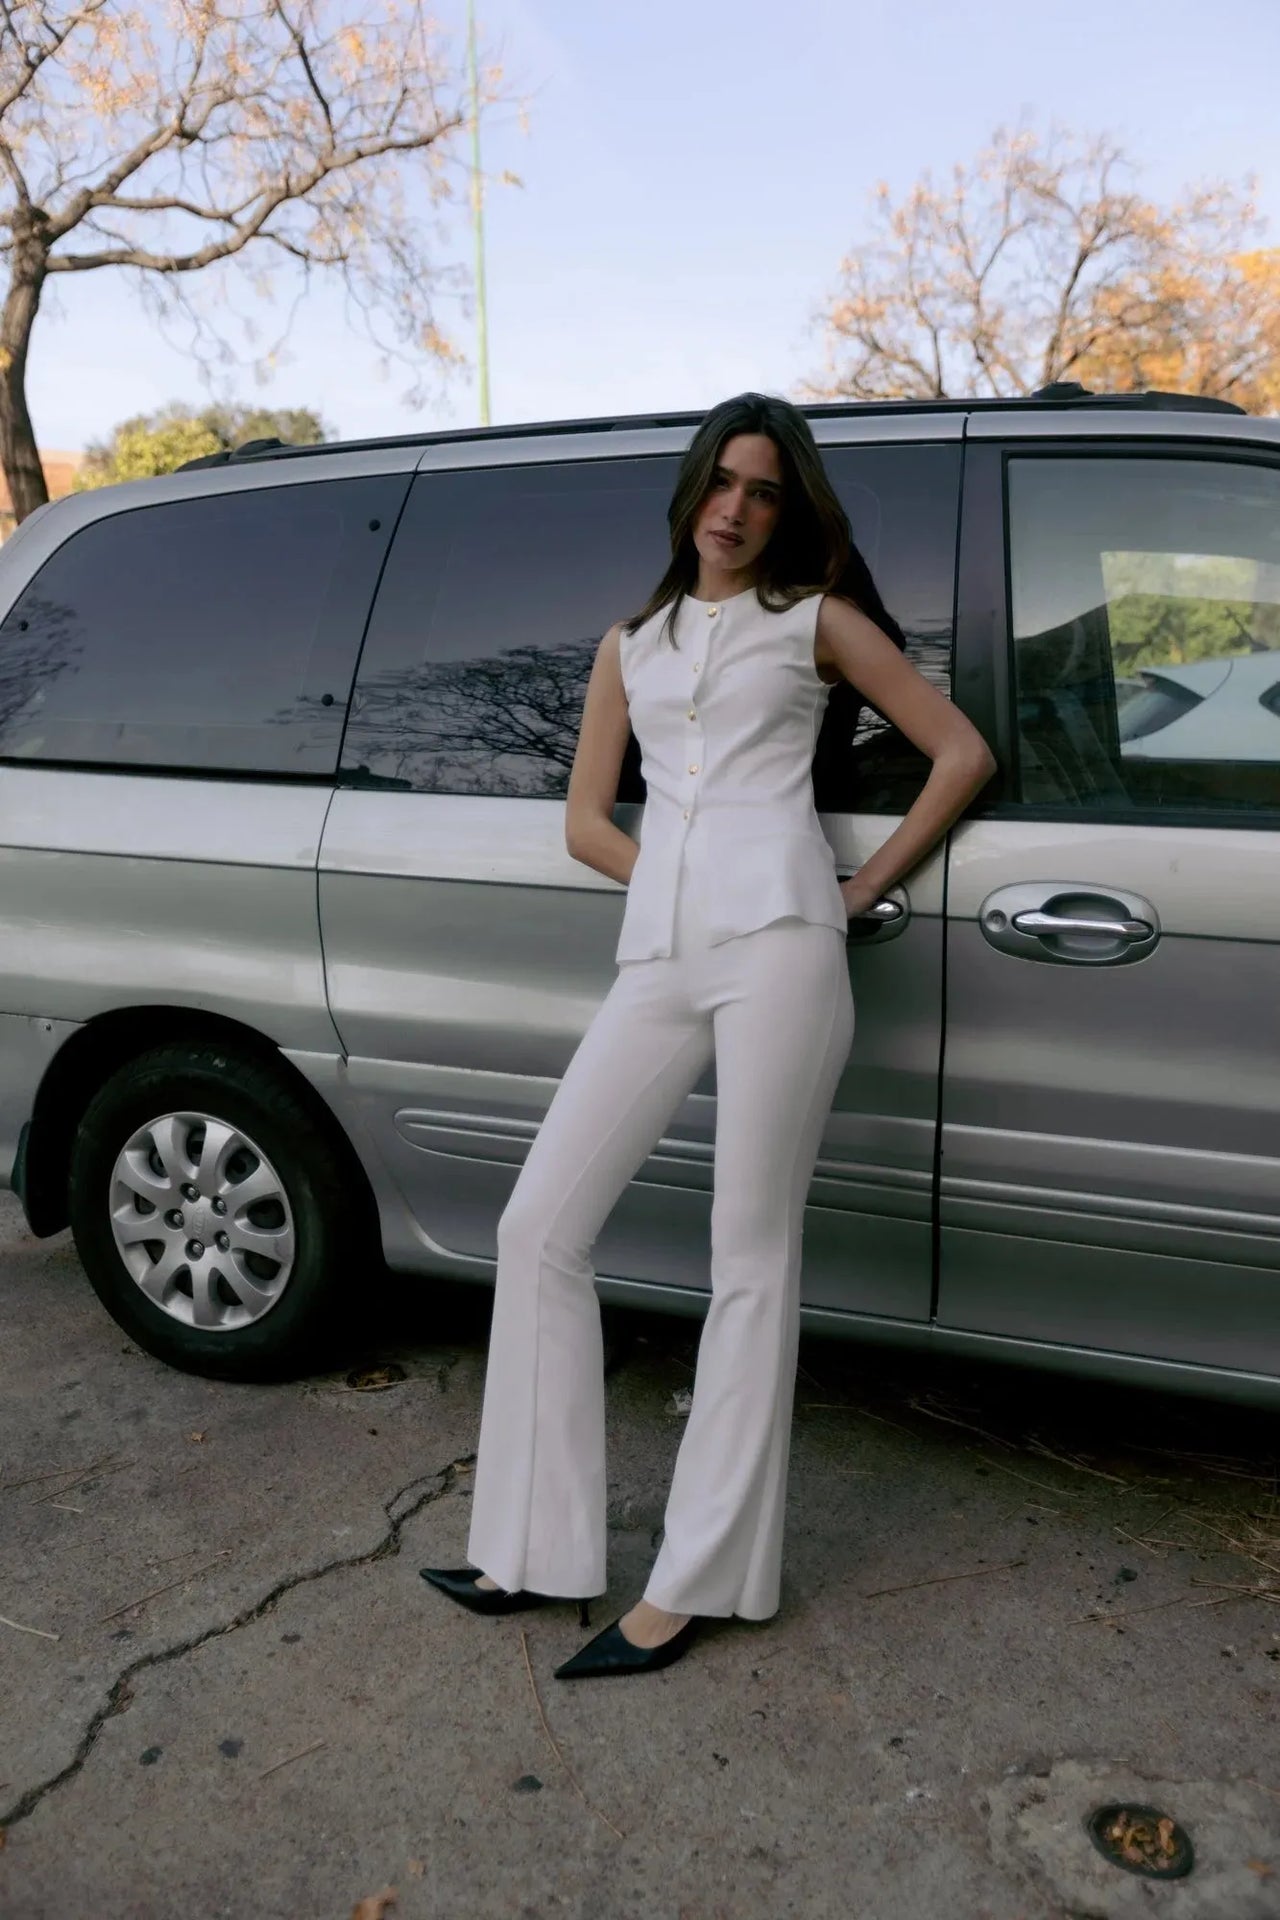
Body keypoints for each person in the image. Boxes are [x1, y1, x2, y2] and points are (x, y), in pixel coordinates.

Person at [421, 392, 995, 1680]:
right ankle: (530, 1549)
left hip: (786, 952)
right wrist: (674, 878)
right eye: (720, 484)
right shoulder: (632, 645)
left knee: (750, 1261)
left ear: (788, 511)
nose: (734, 509)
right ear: (689, 494)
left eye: (764, 491)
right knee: (536, 1229)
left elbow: (959, 753)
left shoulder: (815, 626)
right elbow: (583, 823)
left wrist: (852, 893)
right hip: (661, 956)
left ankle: (693, 1584)